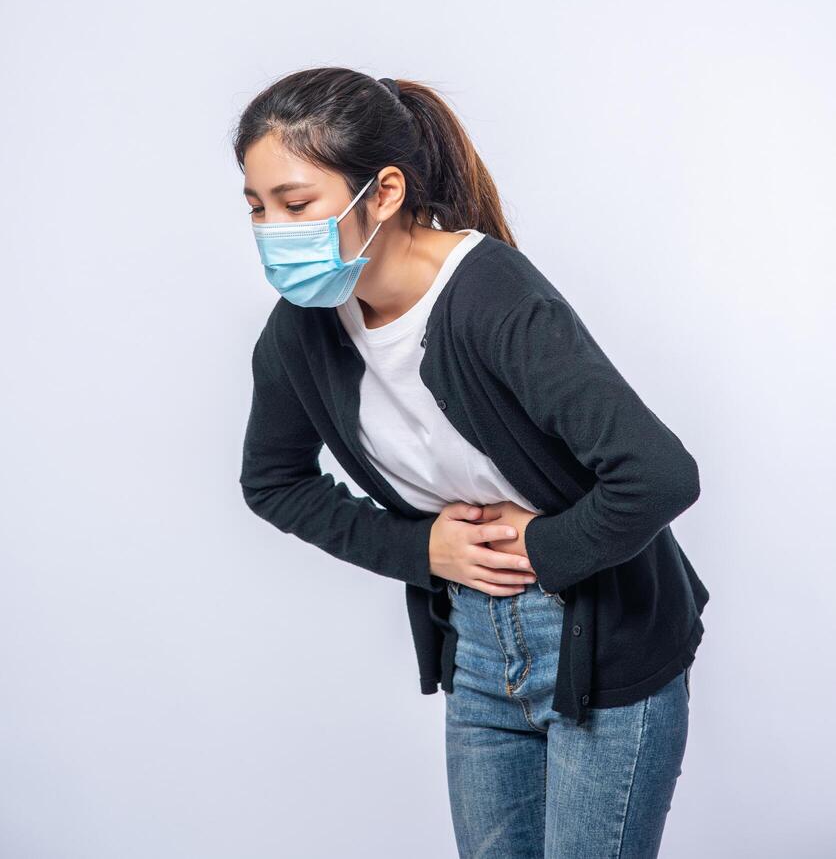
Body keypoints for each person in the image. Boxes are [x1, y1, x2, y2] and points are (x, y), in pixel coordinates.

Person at [235, 67, 709, 858]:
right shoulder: (301, 331)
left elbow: (659, 474)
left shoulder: (489, 296)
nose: (270, 230)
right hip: (477, 646)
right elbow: (272, 482)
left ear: (382, 192)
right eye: (254, 207)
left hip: (607, 643)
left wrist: (542, 547)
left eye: (294, 204)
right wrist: (422, 549)